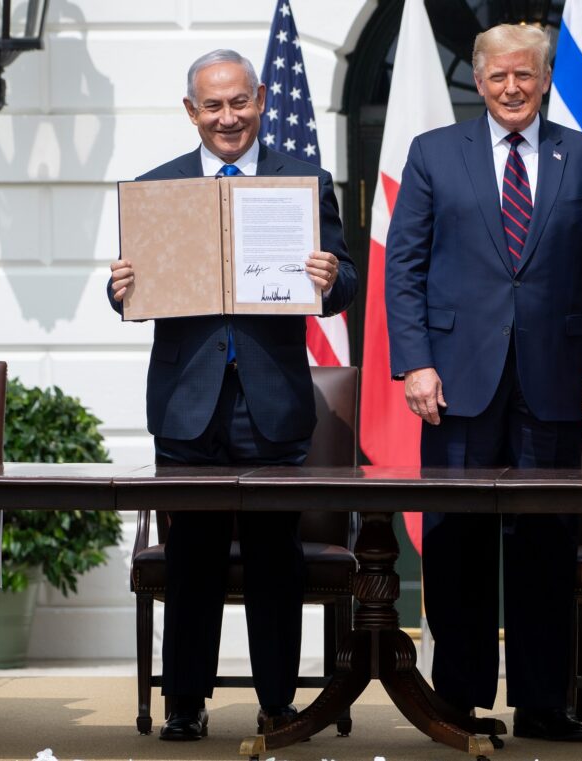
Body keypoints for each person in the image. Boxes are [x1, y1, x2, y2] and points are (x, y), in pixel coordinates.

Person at [384, 23, 582, 742]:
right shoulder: (434, 153)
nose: (512, 88)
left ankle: (543, 702)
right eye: (499, 77)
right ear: (479, 80)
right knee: (456, 542)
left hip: (556, 381)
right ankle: (457, 700)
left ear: (545, 79)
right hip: (455, 383)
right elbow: (404, 266)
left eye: (525, 75)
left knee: (544, 542)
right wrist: (414, 361)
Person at [107, 49, 357, 742]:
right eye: (212, 106)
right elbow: (131, 293)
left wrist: (330, 276)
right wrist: (120, 290)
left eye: (239, 102)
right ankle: (185, 702)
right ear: (191, 111)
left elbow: (344, 284)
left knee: (277, 560)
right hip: (187, 402)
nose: (228, 117)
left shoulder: (303, 182)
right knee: (192, 560)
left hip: (272, 400)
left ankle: (278, 702)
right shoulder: (156, 189)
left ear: (262, 99)